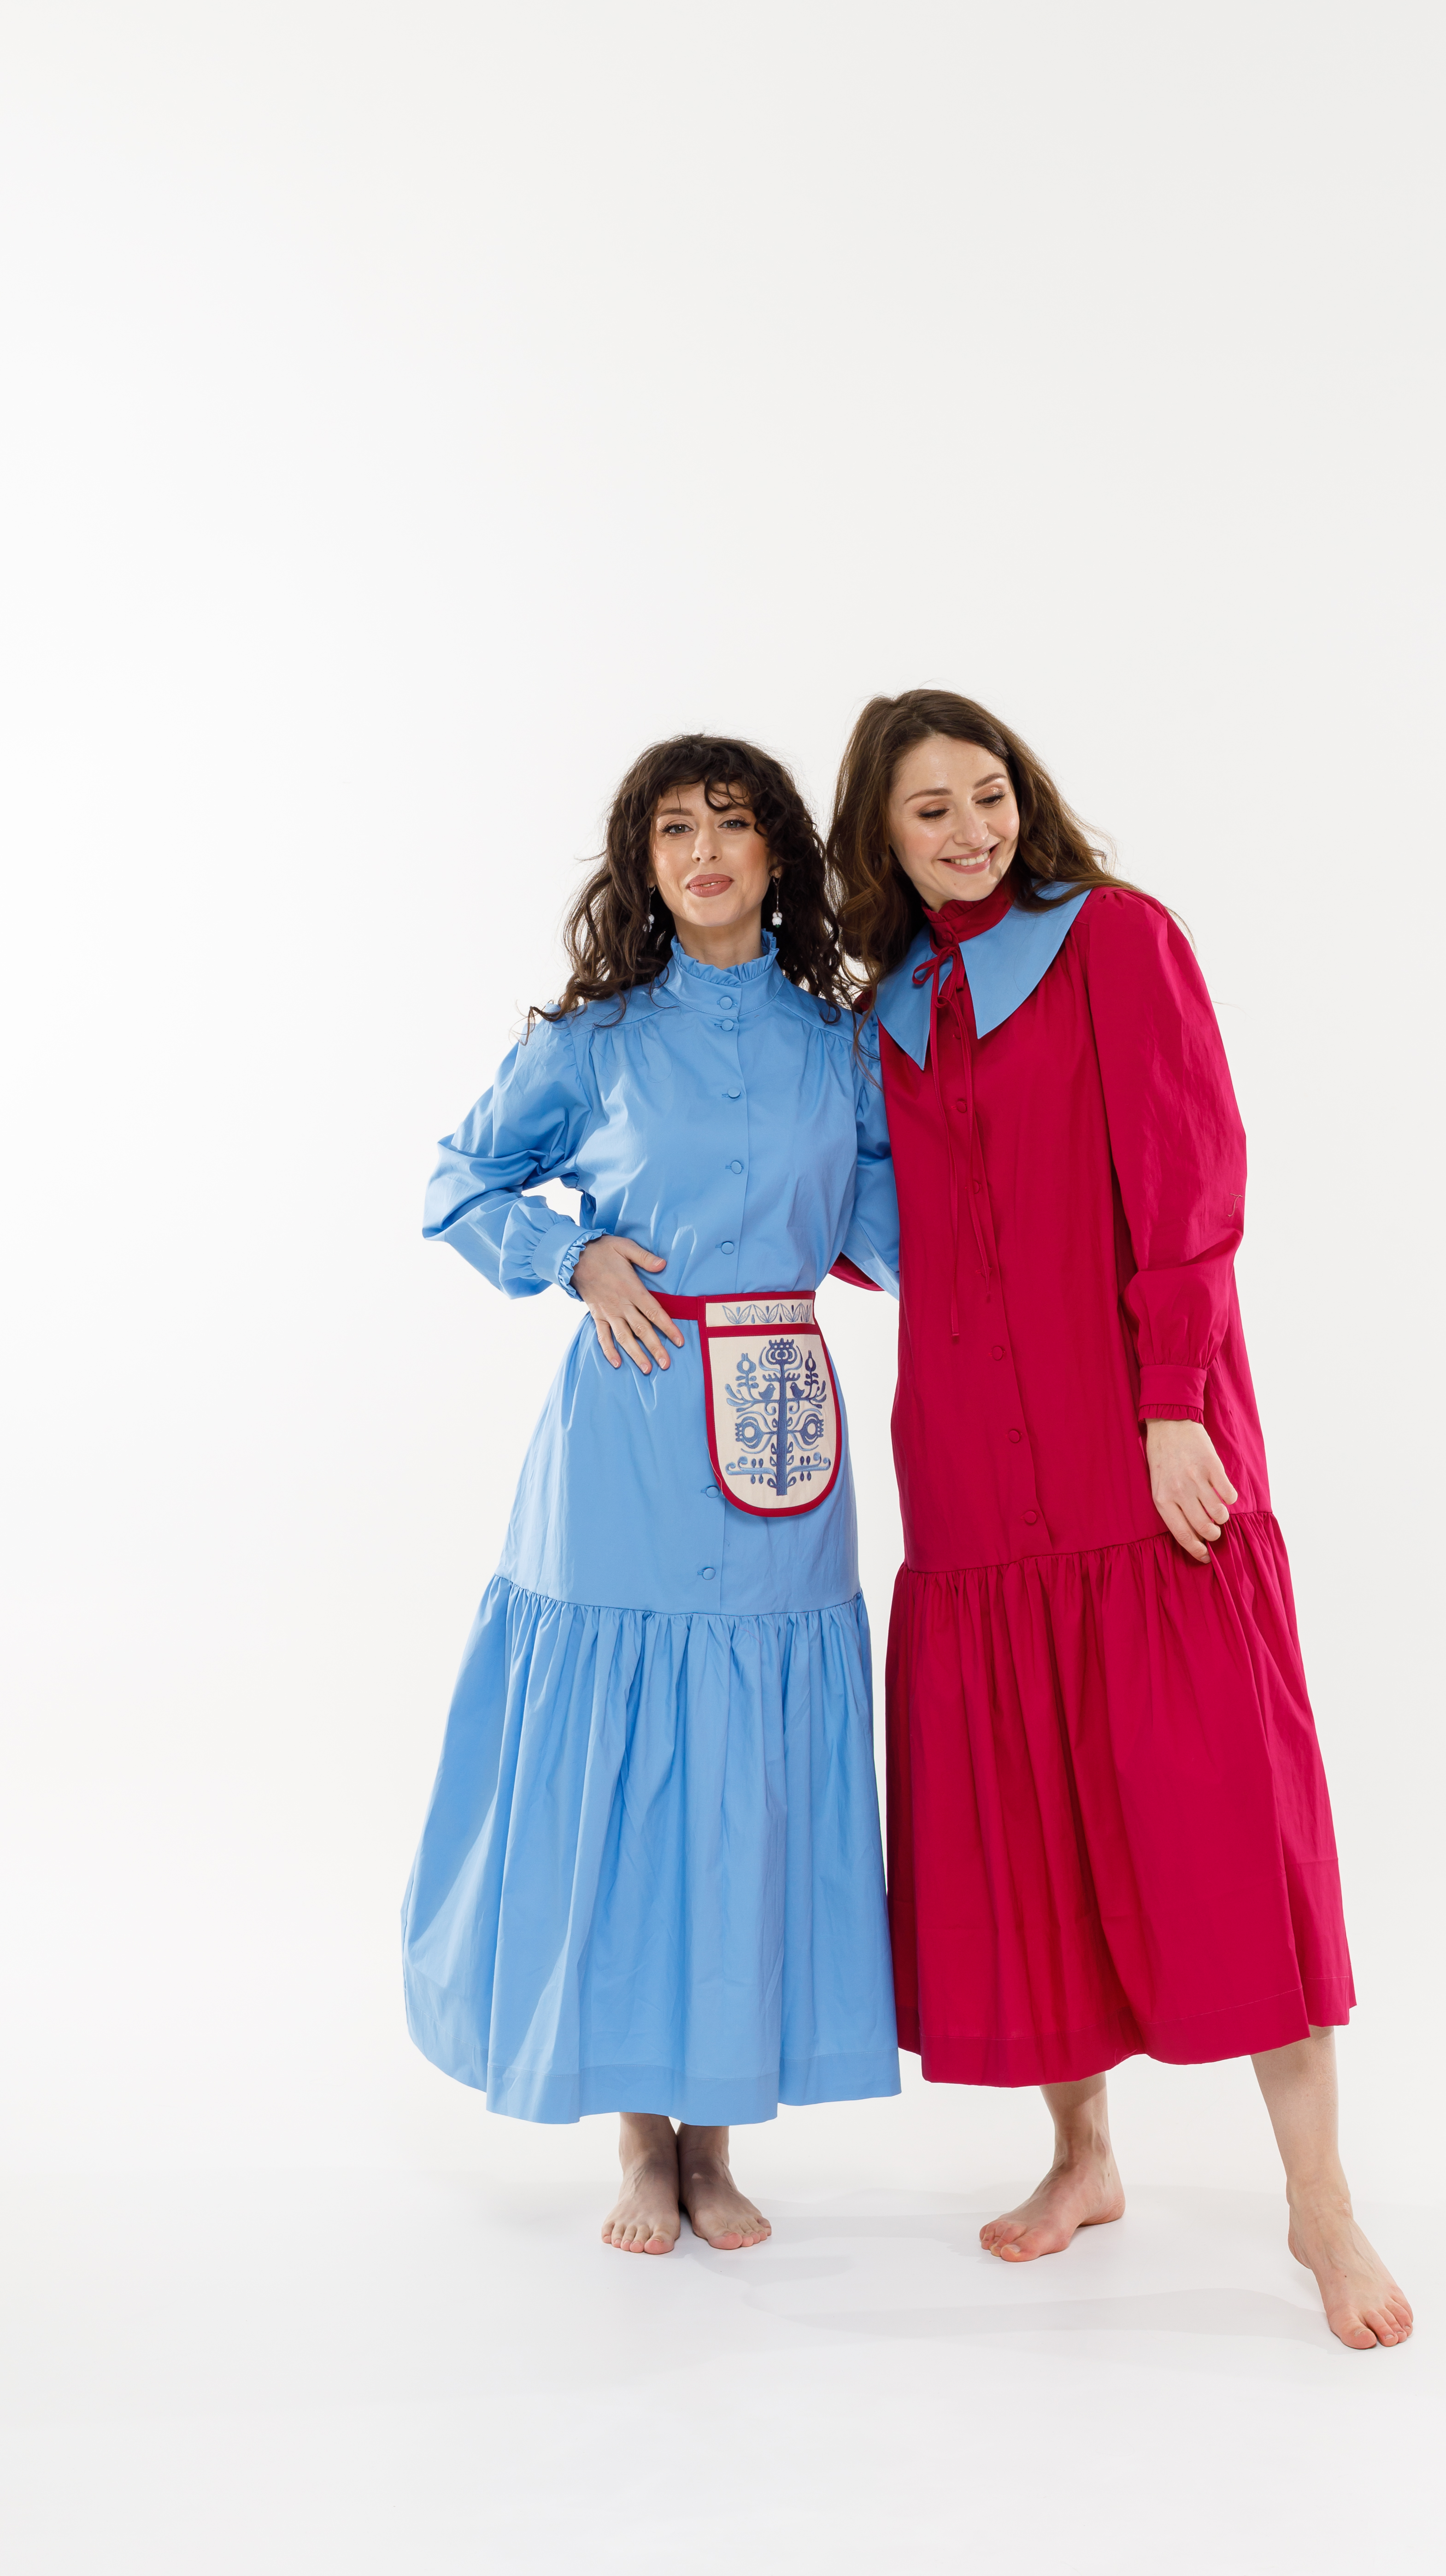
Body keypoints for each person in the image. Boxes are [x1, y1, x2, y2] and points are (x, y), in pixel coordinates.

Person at [829, 689, 1411, 2348]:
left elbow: (1190, 1182)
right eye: (929, 809)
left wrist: (1172, 1405)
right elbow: (872, 1224)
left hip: (1144, 1448)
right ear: (881, 839)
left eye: (988, 793)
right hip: (970, 1470)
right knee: (1031, 1815)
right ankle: (1082, 2155)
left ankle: (1317, 2199)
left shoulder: (1116, 942)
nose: (969, 830)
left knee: (1224, 1810)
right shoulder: (885, 1014)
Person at [402, 735, 900, 2256]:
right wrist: (571, 1254)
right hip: (626, 1424)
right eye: (673, 828)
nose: (703, 851)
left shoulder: (839, 1046)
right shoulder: (594, 1043)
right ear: (643, 861)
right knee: (627, 1767)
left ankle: (717, 2133)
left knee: (748, 1767)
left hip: (782, 1419)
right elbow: (458, 1181)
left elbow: (901, 1216)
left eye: (731, 824)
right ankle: (637, 2140)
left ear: (776, 854)